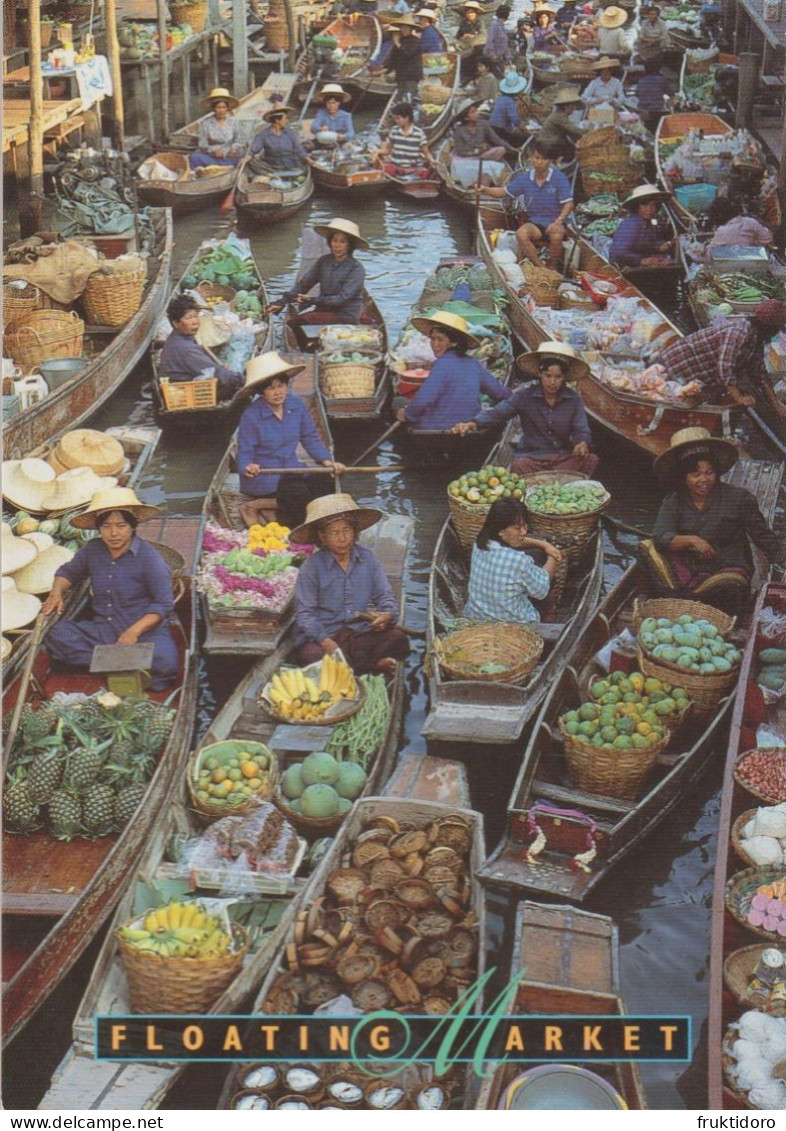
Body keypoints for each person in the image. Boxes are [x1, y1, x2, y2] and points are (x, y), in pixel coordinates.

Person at [42, 488, 178, 692]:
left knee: (165, 660)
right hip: (103, 630)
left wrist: (133, 632)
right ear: (99, 528)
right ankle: (121, 664)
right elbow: (67, 573)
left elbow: (163, 604)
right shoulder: (92, 550)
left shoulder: (150, 559)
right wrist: (56, 593)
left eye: (121, 525)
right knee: (57, 634)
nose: (114, 533)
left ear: (132, 527)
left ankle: (105, 664)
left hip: (143, 633)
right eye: (106, 526)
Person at [640, 427, 784, 614]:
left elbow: (763, 536)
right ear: (684, 477)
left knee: (731, 586)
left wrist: (782, 558)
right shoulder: (674, 500)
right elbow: (660, 536)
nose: (704, 480)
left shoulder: (739, 499)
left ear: (717, 472)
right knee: (645, 549)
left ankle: (702, 608)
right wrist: (692, 540)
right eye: (695, 474)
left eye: (709, 472)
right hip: (689, 568)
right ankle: (667, 605)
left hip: (727, 568)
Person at [290, 494, 410, 675]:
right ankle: (372, 667)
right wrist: (324, 640)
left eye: (346, 530)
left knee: (398, 638)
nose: (342, 538)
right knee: (310, 655)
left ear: (354, 531)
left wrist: (386, 615)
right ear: (322, 537)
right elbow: (305, 614)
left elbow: (385, 596)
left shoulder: (367, 559)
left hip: (358, 632)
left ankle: (352, 668)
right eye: (334, 533)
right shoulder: (311, 567)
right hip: (326, 634)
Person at [452, 341, 599, 475]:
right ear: (540, 374)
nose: (552, 382)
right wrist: (473, 423)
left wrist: (582, 443)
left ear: (564, 377)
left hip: (562, 457)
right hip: (532, 458)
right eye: (548, 376)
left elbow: (581, 428)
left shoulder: (573, 399)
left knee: (591, 460)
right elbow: (499, 413)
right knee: (519, 466)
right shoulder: (525, 396)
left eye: (558, 377)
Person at [235, 351, 345, 528]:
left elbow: (310, 438)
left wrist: (327, 461)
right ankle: (254, 506)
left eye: (281, 386)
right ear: (261, 392)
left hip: (292, 468)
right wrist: (248, 466)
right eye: (271, 388)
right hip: (265, 476)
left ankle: (272, 506)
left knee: (325, 484)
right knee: (300, 496)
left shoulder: (296, 405)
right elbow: (244, 452)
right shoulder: (251, 416)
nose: (278, 392)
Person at [655, 299, 786, 417]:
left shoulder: (756, 340)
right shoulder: (738, 333)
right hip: (673, 368)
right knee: (670, 407)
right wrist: (739, 397)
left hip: (695, 375)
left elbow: (760, 374)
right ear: (768, 327)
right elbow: (724, 369)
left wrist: (777, 405)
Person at [395, 310, 511, 429]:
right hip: (467, 427)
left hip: (435, 428)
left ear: (454, 343)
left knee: (399, 402)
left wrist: (408, 414)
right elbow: (499, 392)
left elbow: (424, 399)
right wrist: (513, 393)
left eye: (440, 340)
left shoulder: (441, 365)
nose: (435, 344)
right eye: (433, 339)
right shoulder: (473, 364)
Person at [464, 498, 563, 625]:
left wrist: (544, 544)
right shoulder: (518, 561)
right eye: (517, 528)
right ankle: (548, 614)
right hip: (514, 623)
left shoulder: (480, 542)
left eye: (524, 526)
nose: (524, 532)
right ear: (500, 531)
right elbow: (541, 591)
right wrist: (553, 555)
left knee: (536, 553)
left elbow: (520, 542)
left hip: (476, 616)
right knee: (543, 574)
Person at [478, 139, 573, 269]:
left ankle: (552, 267)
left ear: (550, 161)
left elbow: (568, 203)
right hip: (535, 223)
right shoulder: (525, 178)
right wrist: (485, 189)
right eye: (537, 158)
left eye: (544, 159)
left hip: (555, 221)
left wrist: (558, 221)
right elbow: (503, 192)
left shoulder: (559, 178)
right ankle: (540, 267)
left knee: (556, 236)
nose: (539, 162)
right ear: (531, 158)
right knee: (521, 234)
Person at [269, 218, 368, 326]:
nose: (337, 245)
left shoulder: (356, 268)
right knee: (297, 322)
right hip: (324, 309)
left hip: (345, 315)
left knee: (296, 323)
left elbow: (341, 299)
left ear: (349, 245)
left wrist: (311, 300)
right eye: (334, 240)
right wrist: (282, 302)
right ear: (330, 242)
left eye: (342, 242)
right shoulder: (324, 261)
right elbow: (304, 284)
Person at [157, 295, 242, 400]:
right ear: (176, 323)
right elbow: (214, 371)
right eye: (189, 318)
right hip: (185, 392)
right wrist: (241, 379)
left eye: (196, 316)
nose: (195, 321)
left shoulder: (179, 338)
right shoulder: (185, 348)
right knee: (230, 380)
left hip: (180, 382)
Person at [609, 184, 674, 269]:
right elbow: (618, 252)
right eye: (645, 205)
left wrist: (660, 247)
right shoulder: (631, 224)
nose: (650, 209)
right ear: (637, 207)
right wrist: (642, 260)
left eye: (653, 205)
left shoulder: (648, 223)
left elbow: (649, 243)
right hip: (623, 267)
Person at [450, 98, 509, 186]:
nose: (477, 113)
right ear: (466, 117)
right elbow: (461, 152)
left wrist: (512, 148)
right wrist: (478, 151)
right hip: (466, 158)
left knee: (501, 149)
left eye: (476, 111)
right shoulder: (459, 130)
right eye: (473, 112)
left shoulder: (483, 124)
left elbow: (497, 140)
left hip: (482, 155)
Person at [373, 101, 435, 179]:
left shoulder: (418, 133)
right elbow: (388, 150)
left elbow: (426, 153)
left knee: (424, 172)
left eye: (398, 118)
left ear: (407, 117)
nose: (396, 120)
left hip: (413, 168)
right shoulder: (394, 131)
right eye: (395, 118)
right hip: (396, 167)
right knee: (385, 169)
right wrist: (377, 152)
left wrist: (432, 161)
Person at [190, 87, 245, 170]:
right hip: (211, 155)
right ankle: (211, 169)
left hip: (228, 155)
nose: (221, 110)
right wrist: (213, 150)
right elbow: (202, 144)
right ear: (213, 109)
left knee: (241, 156)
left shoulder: (234, 122)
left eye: (223, 107)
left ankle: (225, 168)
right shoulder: (205, 123)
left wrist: (233, 148)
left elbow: (240, 140)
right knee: (195, 157)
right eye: (218, 107)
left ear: (227, 108)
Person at [247, 105, 309, 176]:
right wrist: (247, 157)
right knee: (251, 161)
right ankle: (269, 174)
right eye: (285, 118)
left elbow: (299, 150)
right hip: (272, 166)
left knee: (302, 168)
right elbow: (253, 149)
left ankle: (286, 174)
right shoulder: (263, 134)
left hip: (291, 165)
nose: (287, 121)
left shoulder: (290, 133)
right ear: (277, 120)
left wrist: (310, 161)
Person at [380, 13, 423, 101]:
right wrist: (385, 68)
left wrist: (397, 43)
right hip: (401, 74)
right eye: (402, 28)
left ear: (411, 29)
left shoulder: (415, 41)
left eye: (406, 28)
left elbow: (407, 54)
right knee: (401, 96)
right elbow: (393, 57)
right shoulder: (400, 40)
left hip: (411, 75)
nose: (404, 30)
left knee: (411, 96)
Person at [536, 86, 585, 162]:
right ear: (566, 107)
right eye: (572, 106)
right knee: (571, 151)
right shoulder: (559, 117)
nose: (573, 108)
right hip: (548, 145)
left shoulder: (560, 115)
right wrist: (589, 132)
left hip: (549, 143)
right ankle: (557, 161)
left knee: (570, 146)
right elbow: (574, 130)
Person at [488, 70, 528, 148]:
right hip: (499, 128)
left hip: (494, 126)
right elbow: (514, 119)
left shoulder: (501, 97)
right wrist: (524, 129)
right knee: (520, 137)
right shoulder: (509, 101)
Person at [634, 57, 672, 128]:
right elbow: (671, 94)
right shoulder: (662, 80)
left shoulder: (641, 81)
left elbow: (637, 94)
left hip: (643, 111)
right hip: (657, 112)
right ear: (658, 69)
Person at [484, 3, 512, 76]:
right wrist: (492, 55)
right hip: (494, 58)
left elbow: (504, 44)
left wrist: (508, 57)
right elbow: (489, 41)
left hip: (501, 58)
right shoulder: (494, 25)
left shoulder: (501, 25)